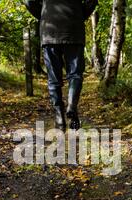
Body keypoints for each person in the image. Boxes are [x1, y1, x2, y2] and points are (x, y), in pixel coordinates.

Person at [25, 0, 98, 130]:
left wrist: (43, 14)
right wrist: (79, 14)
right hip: (73, 28)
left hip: (49, 29)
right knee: (75, 74)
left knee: (53, 79)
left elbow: (29, 2)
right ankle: (71, 106)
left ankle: (59, 117)